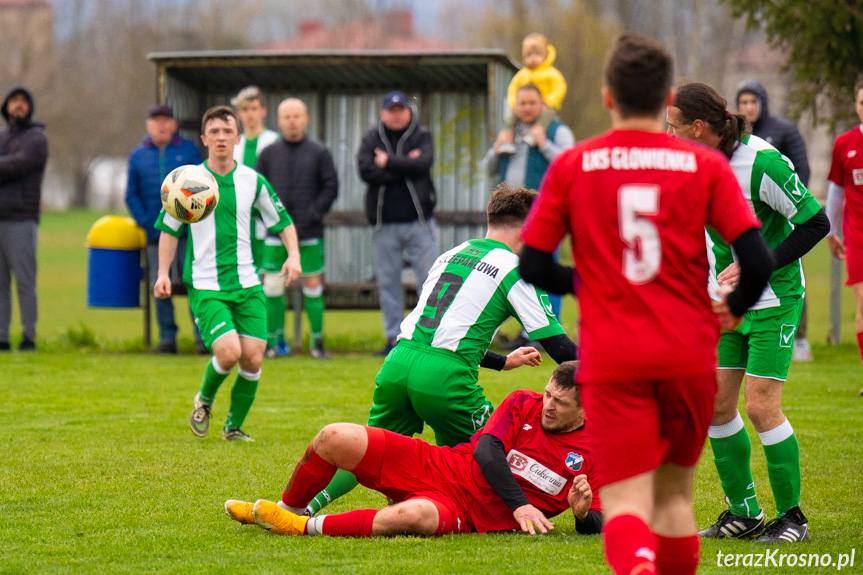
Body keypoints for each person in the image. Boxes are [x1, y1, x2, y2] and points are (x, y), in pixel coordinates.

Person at [520, 34, 773, 575]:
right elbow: (757, 259)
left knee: (630, 501)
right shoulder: (705, 167)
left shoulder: (573, 166)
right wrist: (737, 306)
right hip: (687, 352)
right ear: (665, 99)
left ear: (609, 97)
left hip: (615, 358)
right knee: (676, 500)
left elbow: (533, 267)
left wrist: (590, 280)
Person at [305, 183, 577, 516]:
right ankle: (504, 511)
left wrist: (502, 361)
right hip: (443, 380)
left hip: (399, 362)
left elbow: (441, 329)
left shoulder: (452, 254)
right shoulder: (516, 269)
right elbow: (559, 346)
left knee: (370, 446)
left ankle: (303, 508)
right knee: (500, 447)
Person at [668, 82, 828, 544]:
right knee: (717, 407)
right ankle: (745, 514)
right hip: (725, 305)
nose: (669, 136)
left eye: (674, 128)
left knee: (759, 407)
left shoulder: (761, 164)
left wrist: (760, 261)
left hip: (775, 299)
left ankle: (793, 519)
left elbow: (816, 222)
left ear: (699, 128)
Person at [224, 361, 603, 538]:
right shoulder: (524, 402)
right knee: (334, 436)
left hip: (466, 513)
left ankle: (299, 526)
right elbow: (487, 450)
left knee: (410, 518)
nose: (547, 405)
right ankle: (284, 510)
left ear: (586, 409)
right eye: (548, 393)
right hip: (440, 465)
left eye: (560, 403)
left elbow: (600, 522)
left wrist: (583, 516)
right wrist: (522, 503)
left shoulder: (597, 452)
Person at [154, 106, 301, 442]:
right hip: (206, 285)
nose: (221, 137)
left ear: (238, 138)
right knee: (228, 352)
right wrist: (163, 273)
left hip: (248, 284)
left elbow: (283, 221)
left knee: (252, 358)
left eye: (227, 131)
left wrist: (293, 256)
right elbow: (168, 230)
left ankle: (233, 428)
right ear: (205, 138)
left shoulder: (252, 180)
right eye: (214, 132)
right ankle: (204, 400)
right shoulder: (187, 181)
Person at [484, 83, 575, 343]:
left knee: (545, 268)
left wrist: (543, 143)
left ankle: (545, 334)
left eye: (532, 103)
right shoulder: (508, 132)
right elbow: (488, 168)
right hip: (511, 215)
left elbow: (569, 164)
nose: (526, 108)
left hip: (544, 211)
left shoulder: (559, 131)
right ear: (515, 106)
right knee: (509, 269)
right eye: (522, 103)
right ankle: (518, 331)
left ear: (543, 105)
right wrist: (497, 147)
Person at [737, 79, 815, 361]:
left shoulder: (782, 130)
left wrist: (788, 207)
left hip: (782, 219)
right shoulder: (731, 142)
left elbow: (800, 169)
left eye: (752, 102)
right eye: (743, 102)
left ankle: (800, 338)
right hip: (746, 225)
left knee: (788, 272)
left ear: (763, 103)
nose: (748, 107)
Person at [357, 90, 439, 356]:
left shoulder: (422, 135)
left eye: (400, 109)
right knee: (388, 283)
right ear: (383, 113)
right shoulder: (372, 137)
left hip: (420, 223)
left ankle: (428, 339)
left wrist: (389, 162)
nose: (396, 114)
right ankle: (393, 338)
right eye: (391, 110)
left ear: (409, 111)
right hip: (385, 225)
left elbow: (424, 163)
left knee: (429, 282)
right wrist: (406, 165)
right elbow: (366, 170)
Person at [256, 98, 338, 359]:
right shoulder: (268, 154)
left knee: (313, 286)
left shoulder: (319, 152)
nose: (292, 121)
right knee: (271, 287)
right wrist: (271, 219)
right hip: (274, 235)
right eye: (287, 116)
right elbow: (257, 190)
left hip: (309, 233)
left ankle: (317, 343)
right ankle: (275, 342)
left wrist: (314, 213)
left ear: (306, 119)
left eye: (297, 116)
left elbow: (330, 187)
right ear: (278, 121)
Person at [126, 105, 205, 354]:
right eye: (156, 121)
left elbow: (201, 187)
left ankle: (202, 338)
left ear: (174, 124)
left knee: (195, 284)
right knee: (160, 286)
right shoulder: (137, 155)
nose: (162, 125)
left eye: (166, 120)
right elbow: (131, 195)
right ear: (148, 125)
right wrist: (149, 222)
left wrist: (190, 220)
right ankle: (167, 338)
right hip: (155, 236)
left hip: (187, 235)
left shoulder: (189, 151)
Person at [231, 86, 283, 354]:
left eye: (254, 109)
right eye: (244, 110)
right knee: (241, 281)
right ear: (238, 114)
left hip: (265, 226)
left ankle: (271, 340)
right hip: (238, 225)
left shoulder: (273, 141)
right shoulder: (234, 144)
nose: (250, 115)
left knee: (268, 282)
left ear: (263, 111)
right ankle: (242, 338)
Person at [0, 86, 47, 352]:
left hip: (21, 218)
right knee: (0, 284)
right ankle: (2, 336)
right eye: (13, 101)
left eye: (23, 101)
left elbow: (21, 164)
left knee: (25, 281)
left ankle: (28, 335)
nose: (18, 105)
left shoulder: (36, 138)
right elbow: (11, 165)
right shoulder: (2, 136)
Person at [826, 79, 863, 395]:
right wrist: (831, 231)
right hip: (858, 236)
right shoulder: (845, 144)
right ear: (856, 105)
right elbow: (837, 191)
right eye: (862, 102)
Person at [497, 33, 567, 154]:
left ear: (545, 56)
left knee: (547, 116)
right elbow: (513, 89)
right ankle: (507, 140)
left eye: (537, 55)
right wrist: (515, 104)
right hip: (522, 109)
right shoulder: (522, 74)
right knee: (510, 120)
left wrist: (548, 102)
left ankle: (536, 133)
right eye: (529, 55)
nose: (533, 59)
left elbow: (559, 88)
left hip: (546, 107)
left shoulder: (550, 73)